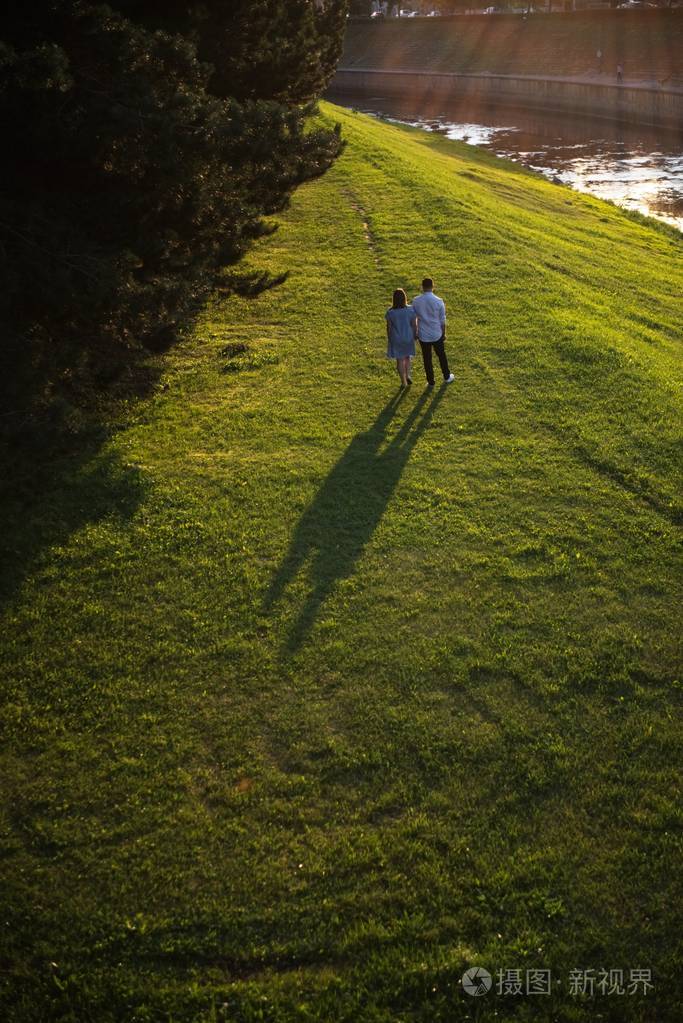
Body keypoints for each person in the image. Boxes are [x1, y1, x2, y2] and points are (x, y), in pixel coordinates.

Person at [411, 277, 454, 387]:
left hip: (423, 334)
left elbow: (414, 318)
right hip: (436, 333)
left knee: (427, 358)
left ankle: (431, 381)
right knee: (441, 355)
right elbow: (442, 320)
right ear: (433, 286)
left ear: (422, 287)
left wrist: (415, 332)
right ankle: (446, 376)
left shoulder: (416, 301)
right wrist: (443, 333)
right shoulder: (438, 301)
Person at [385, 288, 417, 387]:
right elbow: (414, 325)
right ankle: (408, 375)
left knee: (399, 360)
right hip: (408, 336)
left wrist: (390, 339)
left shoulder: (390, 312)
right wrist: (415, 335)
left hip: (396, 338)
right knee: (407, 357)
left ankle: (403, 382)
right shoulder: (411, 310)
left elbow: (389, 328)